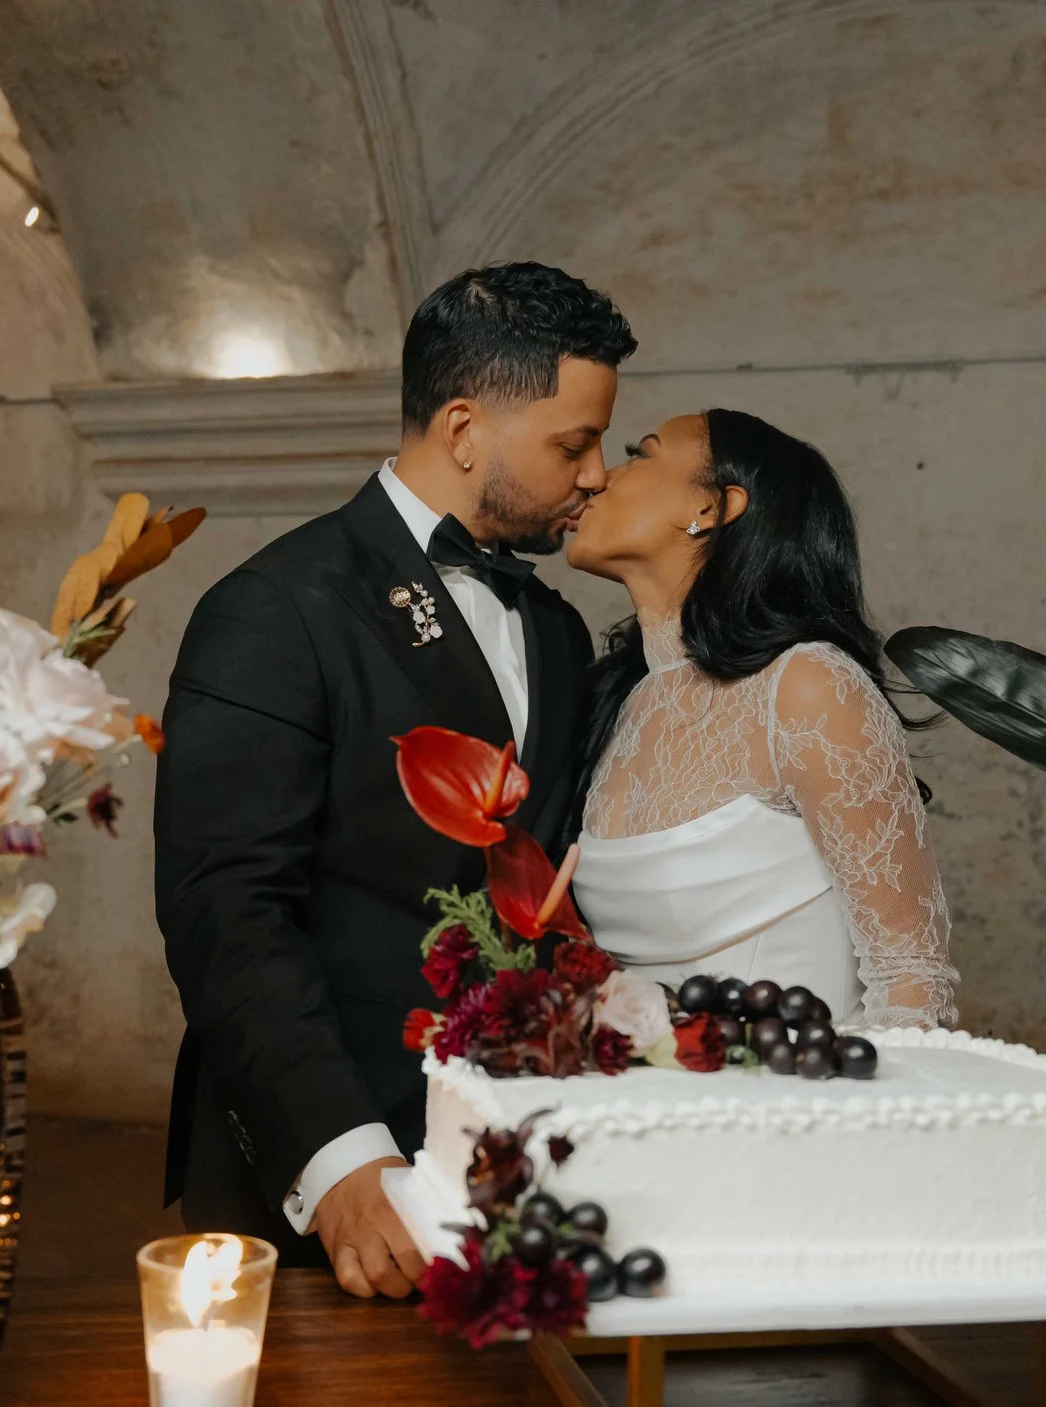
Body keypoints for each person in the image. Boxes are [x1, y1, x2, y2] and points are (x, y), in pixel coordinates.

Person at [155, 262, 634, 1299]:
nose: (596, 473)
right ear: (463, 430)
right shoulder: (276, 609)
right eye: (572, 444)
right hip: (331, 1174)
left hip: (509, 1157)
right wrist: (336, 1157)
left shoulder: (552, 626)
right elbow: (224, 911)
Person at [563, 410, 958, 1027]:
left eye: (640, 455)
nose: (597, 479)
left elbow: (912, 977)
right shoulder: (618, 704)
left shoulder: (804, 686)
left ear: (713, 508)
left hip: (807, 1105)